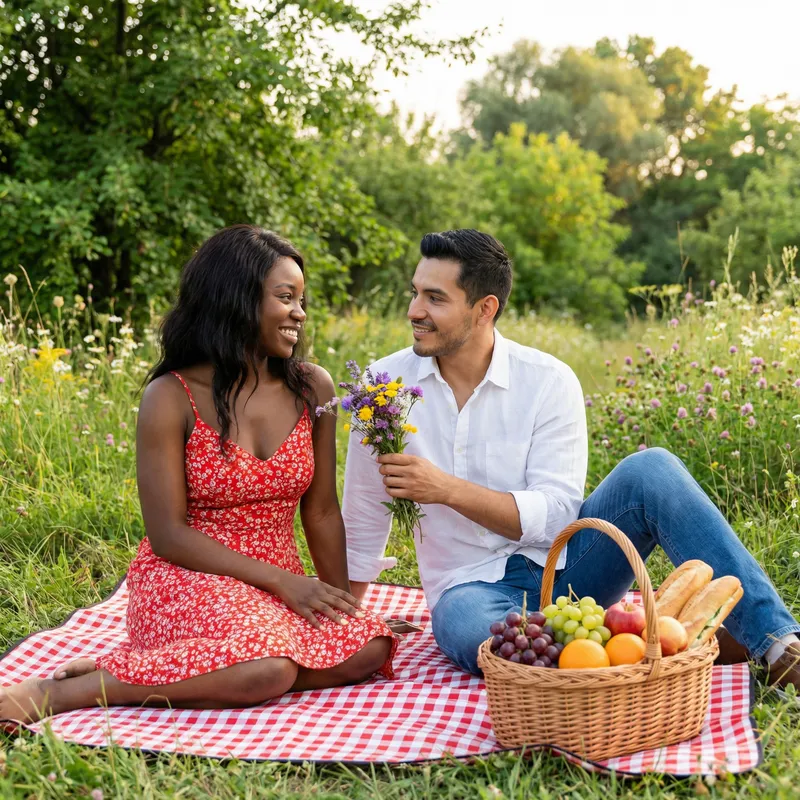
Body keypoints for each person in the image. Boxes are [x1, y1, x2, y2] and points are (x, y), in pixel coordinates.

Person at [341, 228, 800, 687]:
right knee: (471, 630)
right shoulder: (384, 384)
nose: (414, 311)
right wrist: (351, 622)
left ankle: (781, 648)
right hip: (469, 589)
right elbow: (363, 513)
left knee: (651, 469)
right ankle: (659, 638)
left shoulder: (547, 380)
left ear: (485, 309)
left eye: (434, 298)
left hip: (573, 567)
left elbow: (559, 513)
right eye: (415, 292)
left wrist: (447, 490)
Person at [0, 225, 394, 724]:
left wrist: (340, 607)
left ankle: (181, 670)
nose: (300, 312)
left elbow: (319, 510)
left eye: (301, 299)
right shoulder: (170, 396)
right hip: (187, 577)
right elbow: (167, 535)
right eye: (285, 297)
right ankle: (70, 692)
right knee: (266, 669)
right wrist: (285, 583)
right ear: (237, 298)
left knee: (371, 647)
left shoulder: (311, 387)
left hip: (274, 587)